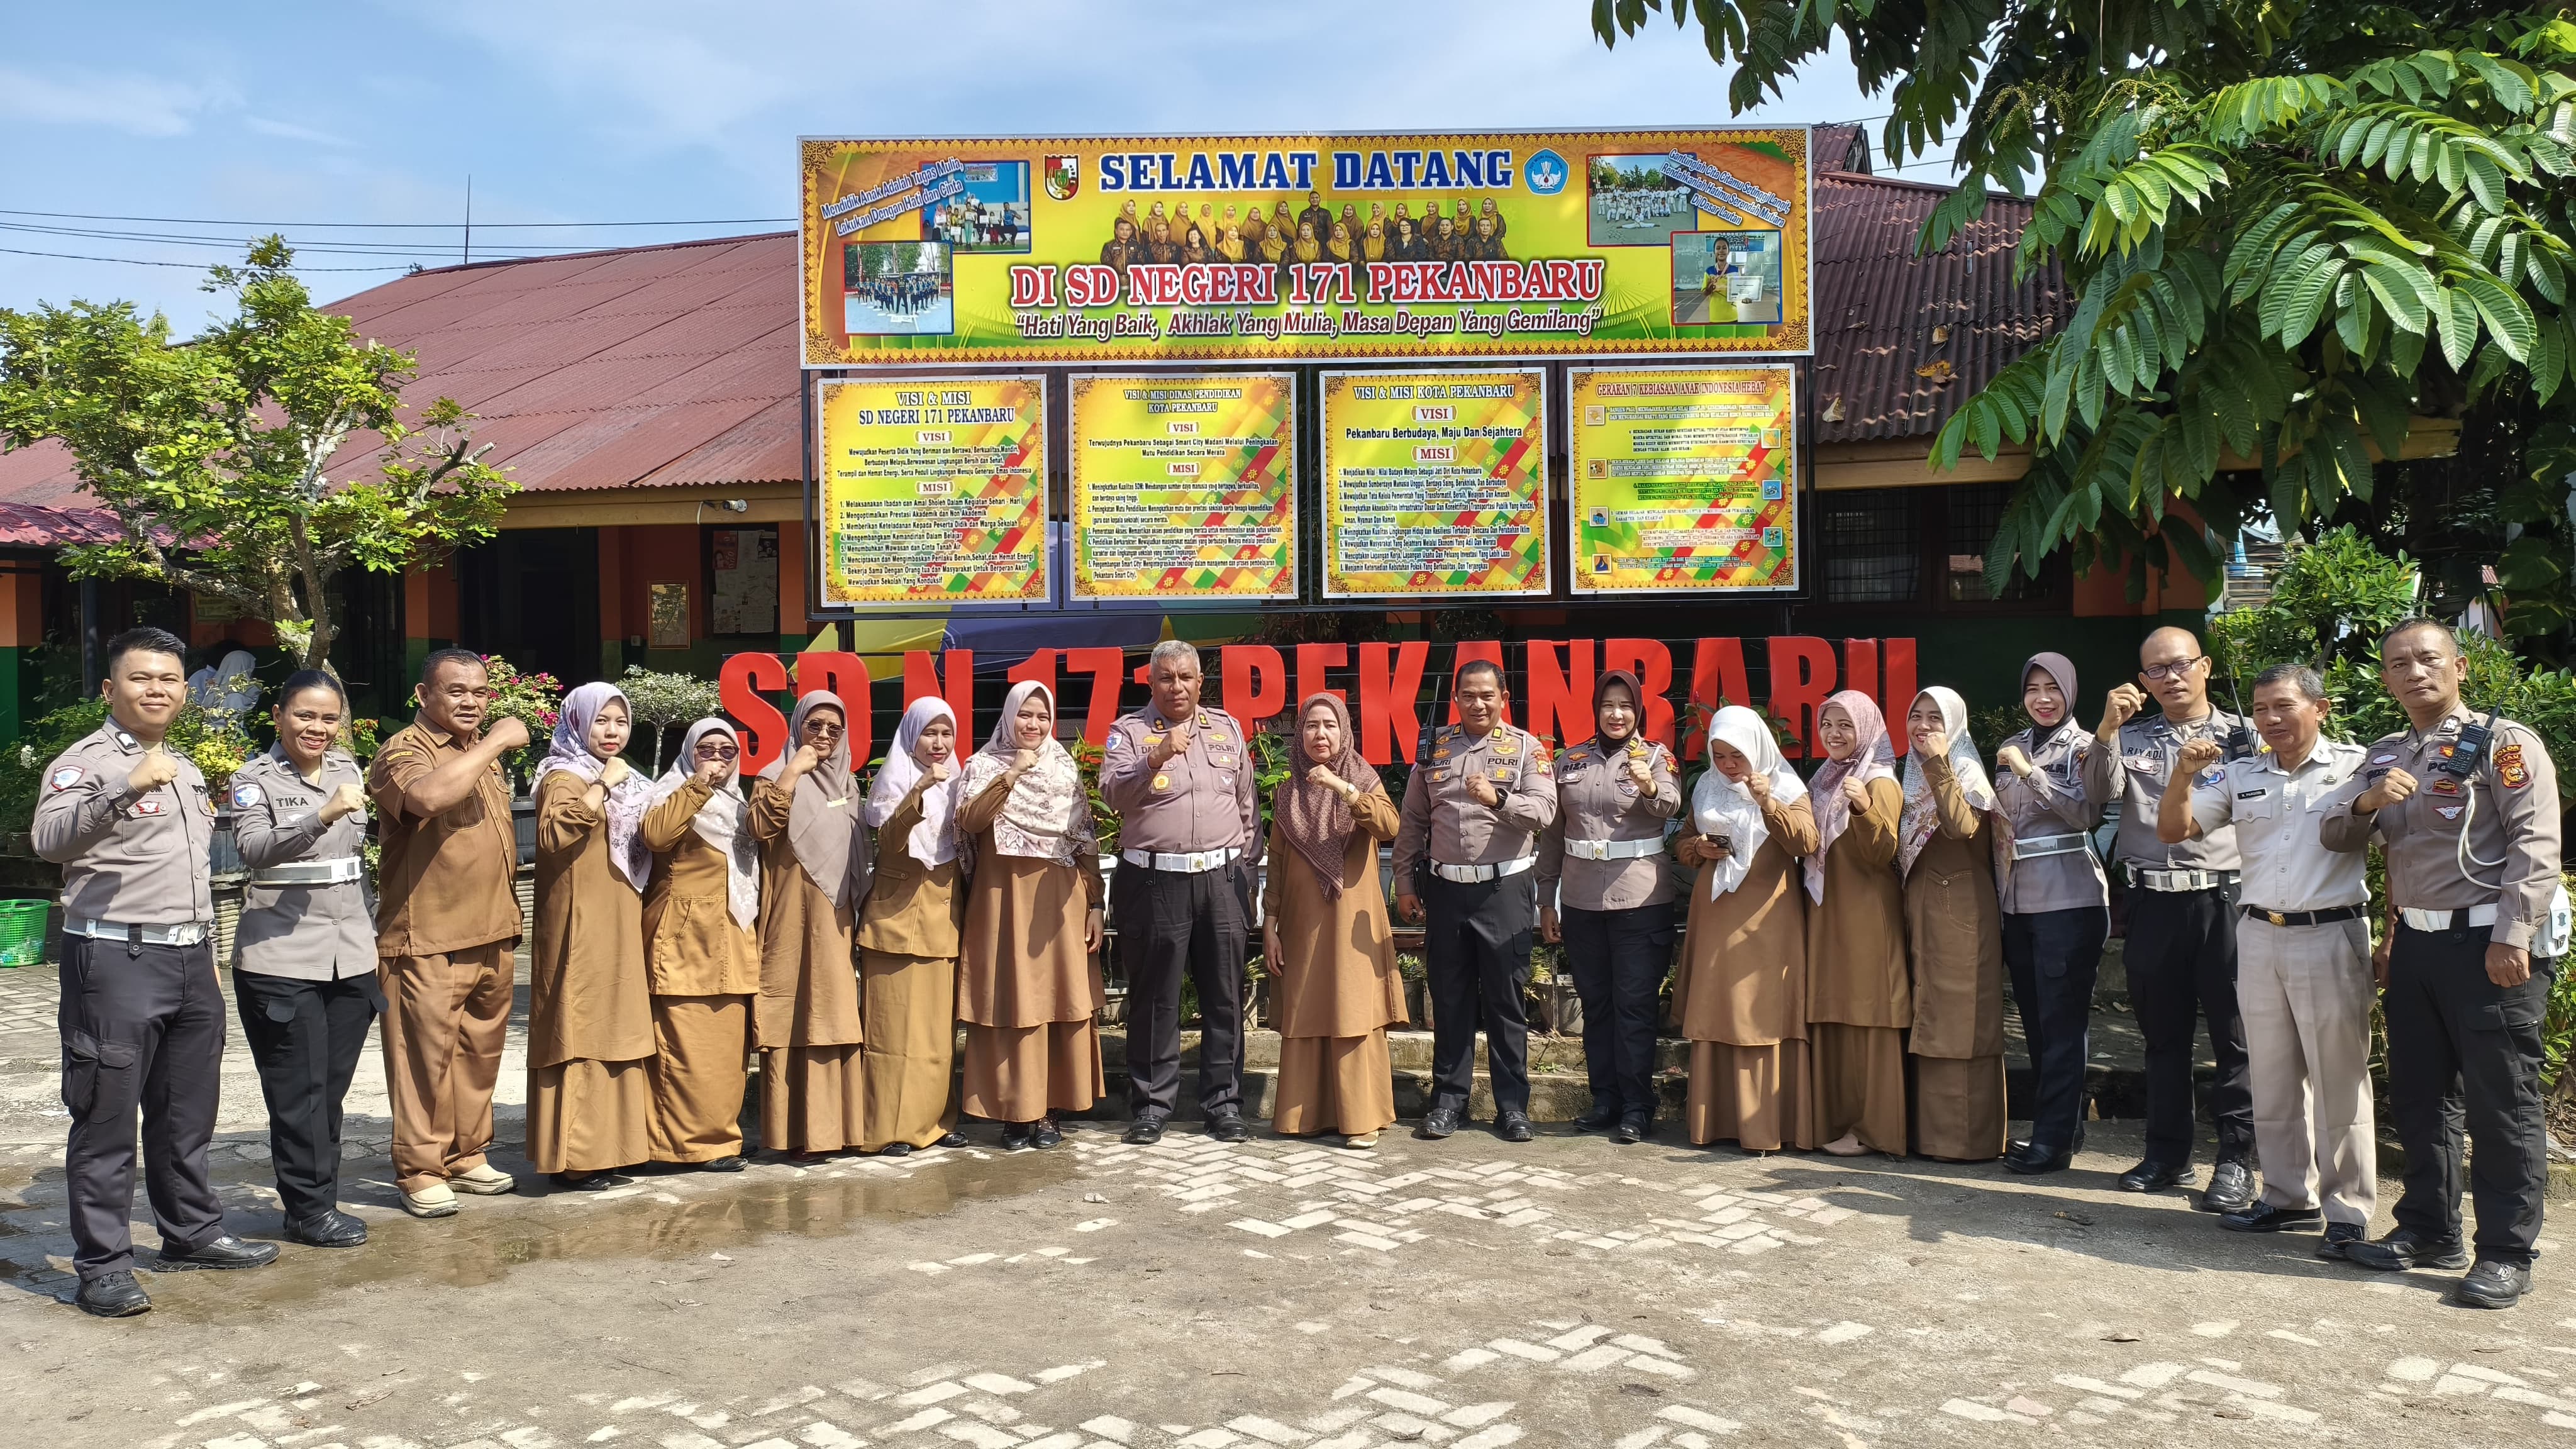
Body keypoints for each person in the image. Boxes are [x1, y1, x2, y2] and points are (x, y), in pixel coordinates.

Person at [2322, 620, 2564, 1308]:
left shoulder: (2504, 743)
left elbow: (2535, 845)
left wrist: (2513, 936)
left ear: (2458, 666)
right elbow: (2336, 834)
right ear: (2386, 679)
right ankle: (2429, 1229)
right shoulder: (2384, 755)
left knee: (2502, 1103)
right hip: (2417, 946)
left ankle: (2505, 1252)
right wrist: (2369, 800)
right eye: (2398, 663)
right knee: (2422, 1098)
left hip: (2490, 943)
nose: (2414, 671)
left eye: (2427, 659)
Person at [36, 627, 276, 1317]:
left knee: (184, 1113)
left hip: (190, 959)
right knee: (106, 1117)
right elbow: (51, 842)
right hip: (115, 959)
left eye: (169, 679)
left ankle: (191, 1233)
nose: (157, 690)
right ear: (111, 690)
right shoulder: (84, 764)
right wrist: (121, 786)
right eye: (141, 679)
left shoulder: (186, 767)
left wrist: (207, 958)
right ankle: (103, 1266)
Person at [2160, 665, 2372, 1255]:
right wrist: (2182, 775)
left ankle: (2349, 1210)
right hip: (2257, 933)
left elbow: (2398, 846)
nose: (2271, 720)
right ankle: (2286, 1198)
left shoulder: (2356, 768)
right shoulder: (2240, 773)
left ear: (2321, 708)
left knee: (2338, 1079)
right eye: (2260, 710)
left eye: (2284, 706)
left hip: (2331, 933)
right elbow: (2175, 829)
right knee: (2272, 1075)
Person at [2085, 626, 2255, 1209]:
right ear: (2142, 680)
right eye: (2155, 670)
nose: (2170, 677)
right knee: (2162, 1038)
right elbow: (2094, 796)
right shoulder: (2128, 737)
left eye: (2180, 665)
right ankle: (2166, 1155)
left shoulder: (2246, 735)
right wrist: (2106, 729)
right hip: (2153, 900)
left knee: (2237, 1038)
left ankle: (2235, 1162)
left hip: (2225, 900)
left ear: (2204, 666)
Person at [369, 648, 531, 1218]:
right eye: (456, 691)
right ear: (423, 696)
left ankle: (467, 1155)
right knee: (422, 1059)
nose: (471, 702)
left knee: (478, 1053)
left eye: (480, 692)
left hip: (492, 930)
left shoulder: (477, 755)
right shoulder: (403, 751)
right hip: (426, 935)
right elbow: (428, 798)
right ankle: (419, 1168)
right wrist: (495, 741)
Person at [227, 669, 379, 1249]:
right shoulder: (254, 778)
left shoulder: (346, 768)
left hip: (350, 956)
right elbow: (254, 848)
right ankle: (309, 1211)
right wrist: (322, 814)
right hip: (282, 958)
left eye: (328, 717)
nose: (317, 727)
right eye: (305, 715)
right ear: (279, 717)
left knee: (330, 1090)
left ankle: (318, 1201)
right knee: (299, 1093)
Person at [1392, 660, 1559, 1142]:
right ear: (1457, 699)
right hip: (1446, 891)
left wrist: (1498, 799)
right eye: (1469, 694)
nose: (1478, 703)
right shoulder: (1435, 749)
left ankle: (1512, 1107)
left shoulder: (1527, 748)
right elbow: (1412, 822)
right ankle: (1448, 1102)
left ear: (1503, 697)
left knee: (1506, 1001)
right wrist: (1404, 883)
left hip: (1504, 889)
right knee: (1449, 1000)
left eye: (1487, 694)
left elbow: (1545, 811)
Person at [1101, 641, 1259, 1145]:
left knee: (1225, 997)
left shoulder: (1227, 729)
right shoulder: (1129, 732)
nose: (1177, 687)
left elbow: (1247, 807)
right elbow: (1112, 794)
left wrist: (1246, 872)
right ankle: (1151, 1106)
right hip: (1154, 880)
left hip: (1220, 879)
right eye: (1166, 678)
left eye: (1186, 677)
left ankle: (1224, 1104)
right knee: (1155, 1000)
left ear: (1199, 682)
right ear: (1151, 684)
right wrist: (1157, 756)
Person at [958, 682, 1108, 1149]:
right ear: (1008, 717)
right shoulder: (982, 766)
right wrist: (1012, 774)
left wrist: (1097, 904)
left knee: (1057, 1000)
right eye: (1026, 715)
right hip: (1003, 899)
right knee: (1010, 1001)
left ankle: (1048, 1114)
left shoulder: (1063, 769)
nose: (1035, 725)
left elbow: (1084, 840)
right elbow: (970, 821)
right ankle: (1013, 1114)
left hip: (1061, 900)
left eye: (1043, 717)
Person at [1536, 670, 1681, 1144]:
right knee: (1596, 1007)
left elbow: (1673, 806)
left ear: (1638, 711)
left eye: (1625, 706)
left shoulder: (1657, 758)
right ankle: (1605, 1100)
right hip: (1581, 902)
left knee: (1635, 1007)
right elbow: (1554, 835)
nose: (1616, 714)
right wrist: (1547, 899)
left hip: (1640, 902)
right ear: (1596, 709)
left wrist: (1651, 787)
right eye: (1607, 706)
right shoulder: (1570, 761)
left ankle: (1638, 1107)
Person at [525, 682, 655, 1188]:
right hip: (579, 919)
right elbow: (553, 835)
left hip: (617, 913)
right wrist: (601, 787)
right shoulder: (564, 775)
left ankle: (613, 1146)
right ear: (578, 722)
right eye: (602, 720)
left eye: (621, 722)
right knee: (578, 1025)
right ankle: (575, 1156)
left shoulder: (624, 777)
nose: (613, 731)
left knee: (615, 1024)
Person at [1262, 694, 1406, 1148]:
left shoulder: (1363, 778)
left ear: (1344, 732)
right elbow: (1278, 862)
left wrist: (1341, 789)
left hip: (1351, 922)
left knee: (1351, 1007)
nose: (1320, 734)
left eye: (1329, 725)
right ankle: (1305, 1116)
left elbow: (1389, 826)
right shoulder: (1287, 795)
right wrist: (1269, 922)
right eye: (1310, 726)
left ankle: (1360, 1116)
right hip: (1302, 922)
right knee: (1308, 1006)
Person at [1670, 705, 1816, 1152]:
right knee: (1718, 1011)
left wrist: (1767, 802)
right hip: (1716, 913)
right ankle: (1714, 1124)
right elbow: (1682, 844)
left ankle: (1766, 1126)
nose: (1729, 765)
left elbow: (1806, 842)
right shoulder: (1707, 790)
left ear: (1757, 749)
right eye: (1719, 756)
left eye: (1737, 755)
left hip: (1769, 916)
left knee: (1762, 1012)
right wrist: (1697, 847)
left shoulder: (1788, 786)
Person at [1993, 652, 2109, 1174]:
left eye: (2053, 689)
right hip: (2018, 902)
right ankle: (2063, 1125)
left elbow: (2087, 811)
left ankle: (2052, 1142)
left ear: (2070, 692)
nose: (2043, 698)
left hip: (2069, 899)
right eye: (2033, 688)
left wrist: (2030, 775)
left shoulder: (2087, 747)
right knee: (2038, 1026)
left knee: (2063, 1025)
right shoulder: (2012, 746)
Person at [749, 692, 869, 1157]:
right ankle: (790, 1134)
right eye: (814, 725)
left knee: (834, 1013)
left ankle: (834, 1131)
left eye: (833, 729)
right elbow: (759, 828)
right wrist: (793, 772)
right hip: (789, 914)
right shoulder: (771, 778)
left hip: (836, 918)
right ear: (797, 725)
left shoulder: (849, 784)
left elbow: (859, 854)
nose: (823, 736)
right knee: (791, 1011)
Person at [637, 718, 758, 1173]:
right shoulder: (671, 792)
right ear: (689, 751)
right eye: (707, 749)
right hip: (684, 934)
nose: (718, 759)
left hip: (731, 932)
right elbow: (656, 836)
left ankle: (719, 1138)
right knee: (684, 1045)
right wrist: (697, 785)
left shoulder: (738, 803)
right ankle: (683, 1145)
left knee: (726, 1050)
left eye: (727, 752)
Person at [1897, 687, 2007, 1163]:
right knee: (1927, 1013)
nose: (1924, 727)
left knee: (1962, 1020)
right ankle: (1926, 1135)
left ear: (1955, 726)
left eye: (1935, 719)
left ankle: (1968, 1142)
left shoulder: (1964, 770)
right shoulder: (1906, 770)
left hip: (1961, 908)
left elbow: (1961, 826)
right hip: (1918, 907)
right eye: (1916, 717)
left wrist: (1939, 764)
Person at [858, 699, 972, 1156]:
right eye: (930, 733)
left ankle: (935, 1123)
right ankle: (888, 1129)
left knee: (934, 1034)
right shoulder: (895, 781)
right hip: (895, 922)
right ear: (911, 736)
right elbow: (889, 839)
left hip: (943, 922)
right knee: (889, 1033)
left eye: (947, 734)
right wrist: (921, 789)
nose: (939, 744)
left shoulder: (961, 782)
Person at [1803, 691, 1909, 1157]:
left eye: (1846, 725)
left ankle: (1875, 1128)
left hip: (1867, 913)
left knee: (1870, 1015)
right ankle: (1836, 1118)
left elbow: (1883, 852)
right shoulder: (1824, 780)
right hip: (1828, 912)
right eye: (1828, 724)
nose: (1835, 734)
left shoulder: (1880, 781)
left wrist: (1864, 808)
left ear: (1866, 728)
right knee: (1835, 1011)